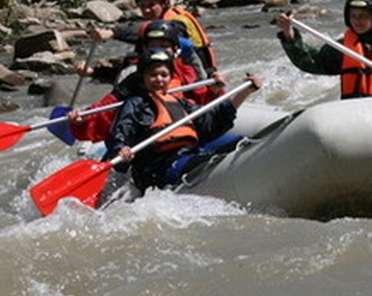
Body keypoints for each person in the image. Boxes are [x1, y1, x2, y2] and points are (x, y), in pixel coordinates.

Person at [104, 48, 262, 191]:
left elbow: (213, 120)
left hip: (188, 153)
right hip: (158, 168)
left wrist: (246, 92)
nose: (159, 79)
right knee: (207, 162)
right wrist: (121, 148)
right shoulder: (135, 104)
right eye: (153, 75)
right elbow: (120, 132)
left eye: (164, 75)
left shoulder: (177, 101)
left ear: (170, 77)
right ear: (142, 77)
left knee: (242, 141)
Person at [66, 19, 225, 143]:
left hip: (186, 133)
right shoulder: (134, 79)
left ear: (175, 49)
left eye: (164, 46)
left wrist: (215, 91)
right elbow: (107, 108)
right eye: (153, 46)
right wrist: (82, 120)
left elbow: (203, 102)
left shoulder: (186, 71)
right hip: (151, 141)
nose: (159, 50)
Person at [275, 0, 372, 99]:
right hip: (355, 111)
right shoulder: (342, 48)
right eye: (353, 16)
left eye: (363, 16)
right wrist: (288, 33)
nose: (357, 21)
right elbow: (309, 61)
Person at [93, 0, 219, 76]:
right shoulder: (156, 25)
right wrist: (93, 72)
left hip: (197, 81)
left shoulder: (178, 21)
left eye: (151, 5)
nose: (146, 10)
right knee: (130, 61)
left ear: (165, 3)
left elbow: (160, 37)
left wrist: (114, 32)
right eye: (142, 6)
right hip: (169, 77)